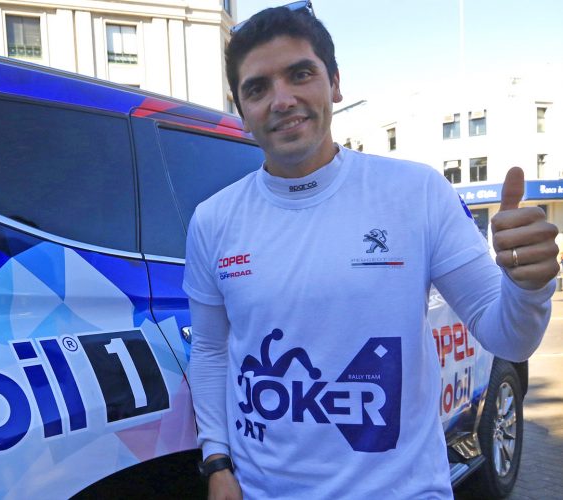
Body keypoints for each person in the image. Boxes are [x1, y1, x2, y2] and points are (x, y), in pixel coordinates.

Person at [183, 4, 560, 499]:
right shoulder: (212, 220)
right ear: (241, 109)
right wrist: (216, 461)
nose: (282, 100)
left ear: (335, 84)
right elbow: (211, 350)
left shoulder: (417, 192)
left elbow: (508, 338)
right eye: (257, 88)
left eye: (301, 74)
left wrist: (528, 287)